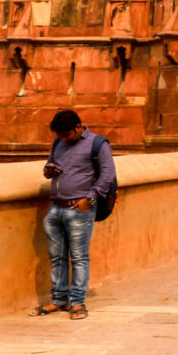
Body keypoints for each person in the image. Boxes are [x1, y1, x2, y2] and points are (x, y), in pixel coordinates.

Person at [38, 109, 115, 320]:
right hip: (56, 207)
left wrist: (89, 199)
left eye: (66, 135)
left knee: (79, 257)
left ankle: (78, 301)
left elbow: (108, 176)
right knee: (57, 257)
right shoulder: (58, 143)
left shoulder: (98, 144)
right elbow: (47, 168)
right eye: (59, 136)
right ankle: (59, 299)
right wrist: (50, 170)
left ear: (78, 127)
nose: (63, 139)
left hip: (79, 208)